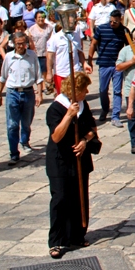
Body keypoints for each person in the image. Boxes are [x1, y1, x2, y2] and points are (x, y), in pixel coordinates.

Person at [46, 72, 98, 259]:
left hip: (79, 159)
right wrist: (68, 116)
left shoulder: (84, 105)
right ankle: (56, 241)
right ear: (75, 90)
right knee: (60, 199)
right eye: (84, 89)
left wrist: (84, 140)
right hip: (60, 160)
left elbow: (92, 129)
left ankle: (77, 235)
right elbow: (56, 136)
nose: (87, 92)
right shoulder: (56, 108)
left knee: (79, 197)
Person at [0, 32, 42, 166]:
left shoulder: (32, 56)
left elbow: (38, 76)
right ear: (14, 44)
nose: (21, 46)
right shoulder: (9, 57)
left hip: (28, 92)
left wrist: (39, 94)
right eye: (18, 44)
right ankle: (14, 153)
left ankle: (25, 140)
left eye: (23, 43)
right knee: (12, 125)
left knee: (26, 121)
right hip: (13, 92)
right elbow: (3, 77)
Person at [85, 9, 128, 127]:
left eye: (115, 22)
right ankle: (105, 109)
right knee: (103, 90)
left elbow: (129, 46)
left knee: (117, 91)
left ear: (120, 20)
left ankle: (115, 116)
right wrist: (89, 61)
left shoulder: (124, 31)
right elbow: (93, 44)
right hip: (104, 63)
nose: (112, 23)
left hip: (118, 65)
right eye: (111, 21)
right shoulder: (102, 29)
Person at [46, 18, 85, 96]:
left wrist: (84, 64)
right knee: (62, 97)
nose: (73, 25)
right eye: (71, 23)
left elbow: (80, 52)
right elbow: (49, 56)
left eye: (74, 23)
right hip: (61, 73)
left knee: (77, 96)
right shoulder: (55, 38)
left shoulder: (76, 36)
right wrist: (49, 73)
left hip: (75, 72)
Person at [28, 10, 53, 91]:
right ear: (35, 19)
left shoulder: (49, 28)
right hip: (35, 52)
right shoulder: (32, 29)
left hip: (46, 52)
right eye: (39, 17)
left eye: (42, 17)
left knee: (45, 69)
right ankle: (41, 86)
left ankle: (45, 85)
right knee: (37, 70)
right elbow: (29, 40)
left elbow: (51, 39)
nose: (41, 19)